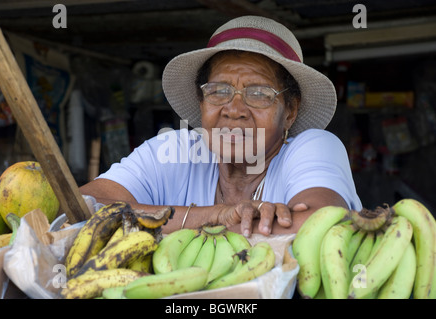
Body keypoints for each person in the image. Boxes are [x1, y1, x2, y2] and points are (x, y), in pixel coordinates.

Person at [80, 15, 362, 237]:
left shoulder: (313, 147)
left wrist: (156, 222)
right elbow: (81, 206)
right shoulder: (173, 149)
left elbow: (318, 224)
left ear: (290, 111)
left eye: (259, 94)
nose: (234, 110)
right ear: (201, 101)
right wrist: (214, 215)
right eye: (218, 91)